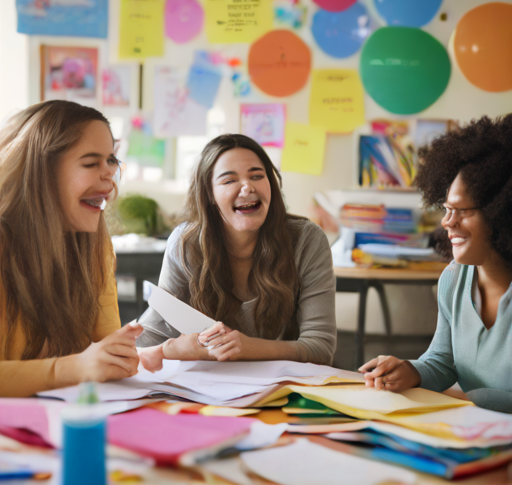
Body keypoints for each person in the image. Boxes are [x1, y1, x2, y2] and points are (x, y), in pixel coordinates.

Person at [137, 134, 336, 370]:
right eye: (229, 180)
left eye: (257, 176)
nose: (247, 187)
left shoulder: (307, 240)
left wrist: (248, 348)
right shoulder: (185, 243)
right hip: (208, 390)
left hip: (284, 389)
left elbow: (320, 347)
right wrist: (170, 349)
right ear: (209, 194)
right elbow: (149, 337)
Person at [359, 115, 512, 413]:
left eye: (461, 211)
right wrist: (410, 371)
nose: (446, 222)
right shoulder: (454, 279)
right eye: (446, 209)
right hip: (475, 432)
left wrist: (469, 399)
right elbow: (443, 361)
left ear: (502, 212)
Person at [0, 100, 142, 398]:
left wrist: (142, 354)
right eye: (91, 163)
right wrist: (72, 368)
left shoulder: (95, 246)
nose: (109, 176)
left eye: (111, 161)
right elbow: (81, 365)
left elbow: (103, 351)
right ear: (40, 173)